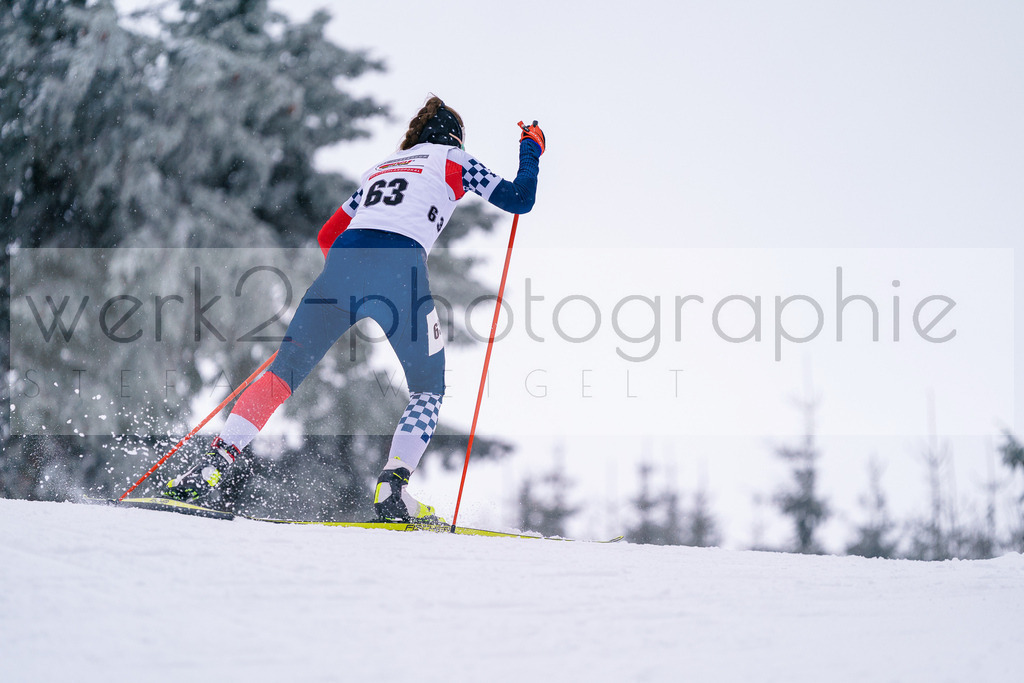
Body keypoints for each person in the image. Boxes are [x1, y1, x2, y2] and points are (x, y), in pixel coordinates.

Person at [162, 96, 545, 523]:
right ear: (455, 137)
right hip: (400, 271)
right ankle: (392, 488)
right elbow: (519, 199)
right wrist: (531, 147)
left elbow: (328, 233)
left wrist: (346, 287)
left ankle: (212, 464)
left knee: (282, 373)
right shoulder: (453, 159)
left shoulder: (381, 168)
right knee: (427, 390)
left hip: (341, 269)